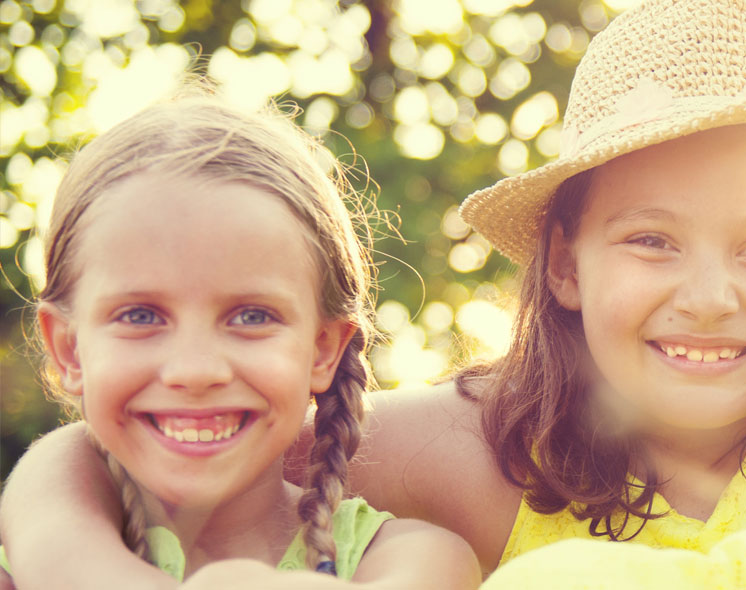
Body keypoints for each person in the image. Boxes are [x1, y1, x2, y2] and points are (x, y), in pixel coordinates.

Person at [0, 1, 746, 587]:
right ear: (563, 265)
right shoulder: (473, 442)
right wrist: (66, 538)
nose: (709, 294)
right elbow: (181, 436)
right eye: (650, 239)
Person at [0, 91, 479, 588]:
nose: (196, 370)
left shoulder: (412, 560)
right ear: (69, 349)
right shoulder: (26, 554)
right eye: (140, 315)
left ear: (323, 349)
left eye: (251, 316)